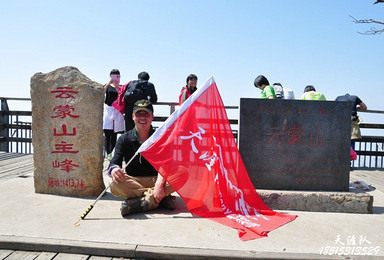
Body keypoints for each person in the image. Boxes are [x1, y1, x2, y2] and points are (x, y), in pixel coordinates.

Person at [108, 100, 175, 216]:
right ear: (133, 116)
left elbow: (166, 164)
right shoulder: (124, 139)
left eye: (146, 114)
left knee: (182, 174)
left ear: (152, 117)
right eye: (139, 114)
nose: (142, 118)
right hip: (134, 181)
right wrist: (114, 170)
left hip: (156, 180)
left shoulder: (160, 137)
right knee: (116, 185)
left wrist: (159, 184)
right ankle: (159, 199)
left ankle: (142, 202)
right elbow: (115, 161)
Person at [103, 69, 125, 160]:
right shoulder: (107, 86)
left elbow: (121, 96)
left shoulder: (120, 87)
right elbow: (102, 93)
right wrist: (109, 83)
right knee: (107, 132)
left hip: (116, 110)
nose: (116, 78)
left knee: (115, 133)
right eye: (114, 76)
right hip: (108, 109)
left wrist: (116, 87)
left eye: (118, 76)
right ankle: (108, 153)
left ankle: (112, 151)